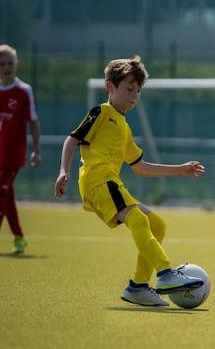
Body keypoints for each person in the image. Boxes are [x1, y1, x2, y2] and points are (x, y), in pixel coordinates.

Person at [55, 56, 206, 307]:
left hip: (111, 182)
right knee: (137, 218)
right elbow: (72, 139)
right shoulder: (101, 112)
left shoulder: (124, 127)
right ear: (109, 87)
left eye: (138, 90)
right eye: (128, 89)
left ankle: (138, 286)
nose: (134, 95)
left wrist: (181, 169)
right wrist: (63, 170)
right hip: (98, 180)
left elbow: (140, 167)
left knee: (157, 224)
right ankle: (166, 273)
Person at [0, 45, 41, 254]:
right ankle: (18, 237)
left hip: (13, 154)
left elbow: (33, 121)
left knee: (2, 192)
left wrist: (36, 149)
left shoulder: (24, 91)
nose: (6, 68)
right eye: (2, 64)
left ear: (16, 65)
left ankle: (17, 237)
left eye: (10, 63)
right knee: (7, 196)